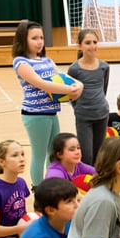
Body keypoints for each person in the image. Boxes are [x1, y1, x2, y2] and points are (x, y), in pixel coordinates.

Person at [12, 19, 83, 186]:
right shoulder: (21, 62)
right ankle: (38, 190)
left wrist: (79, 84)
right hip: (36, 115)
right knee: (39, 154)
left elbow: (63, 76)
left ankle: (51, 185)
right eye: (34, 38)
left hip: (51, 113)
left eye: (41, 38)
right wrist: (68, 90)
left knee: (53, 153)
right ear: (24, 40)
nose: (39, 42)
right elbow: (41, 84)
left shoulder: (46, 60)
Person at [67, 28, 110, 166]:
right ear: (80, 45)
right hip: (84, 117)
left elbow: (104, 89)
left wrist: (100, 104)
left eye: (94, 42)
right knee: (87, 155)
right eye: (87, 42)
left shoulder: (104, 66)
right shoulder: (74, 69)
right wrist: (80, 108)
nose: (92, 46)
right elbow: (71, 95)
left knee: (99, 154)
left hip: (102, 114)